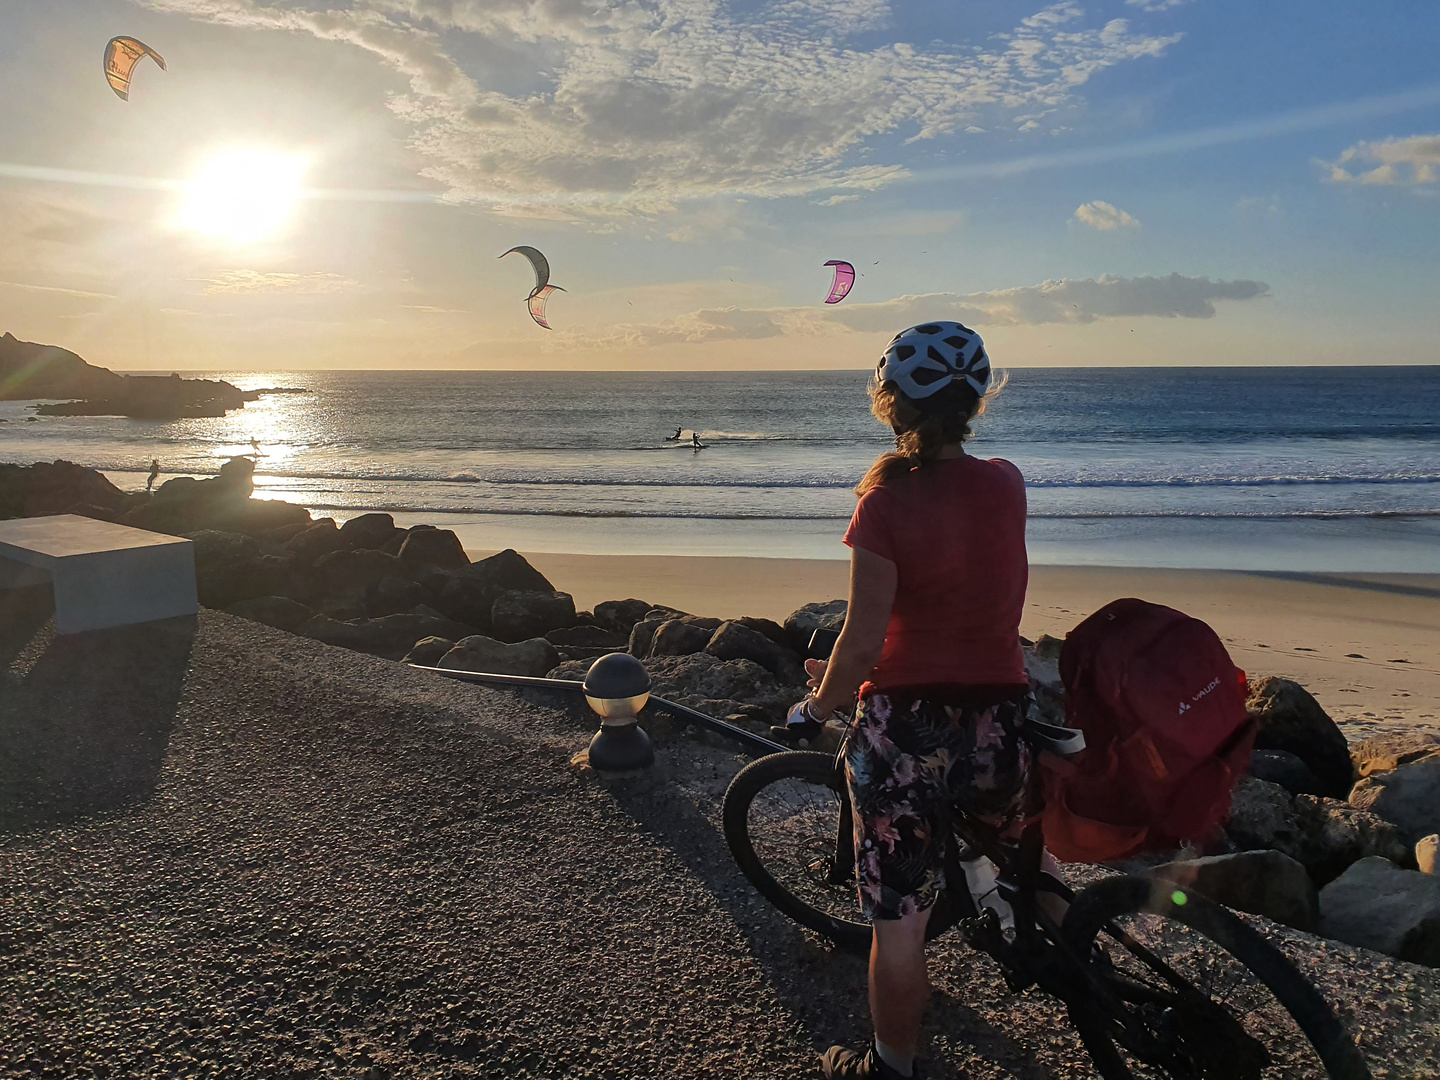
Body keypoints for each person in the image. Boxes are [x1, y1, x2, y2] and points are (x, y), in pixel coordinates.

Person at [783, 322, 1032, 1080]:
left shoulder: (883, 505)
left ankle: (889, 1066)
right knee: (1022, 865)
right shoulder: (1008, 481)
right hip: (998, 718)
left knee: (898, 927)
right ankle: (1064, 947)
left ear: (891, 402)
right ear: (974, 401)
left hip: (905, 732)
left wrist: (817, 709)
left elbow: (861, 646)